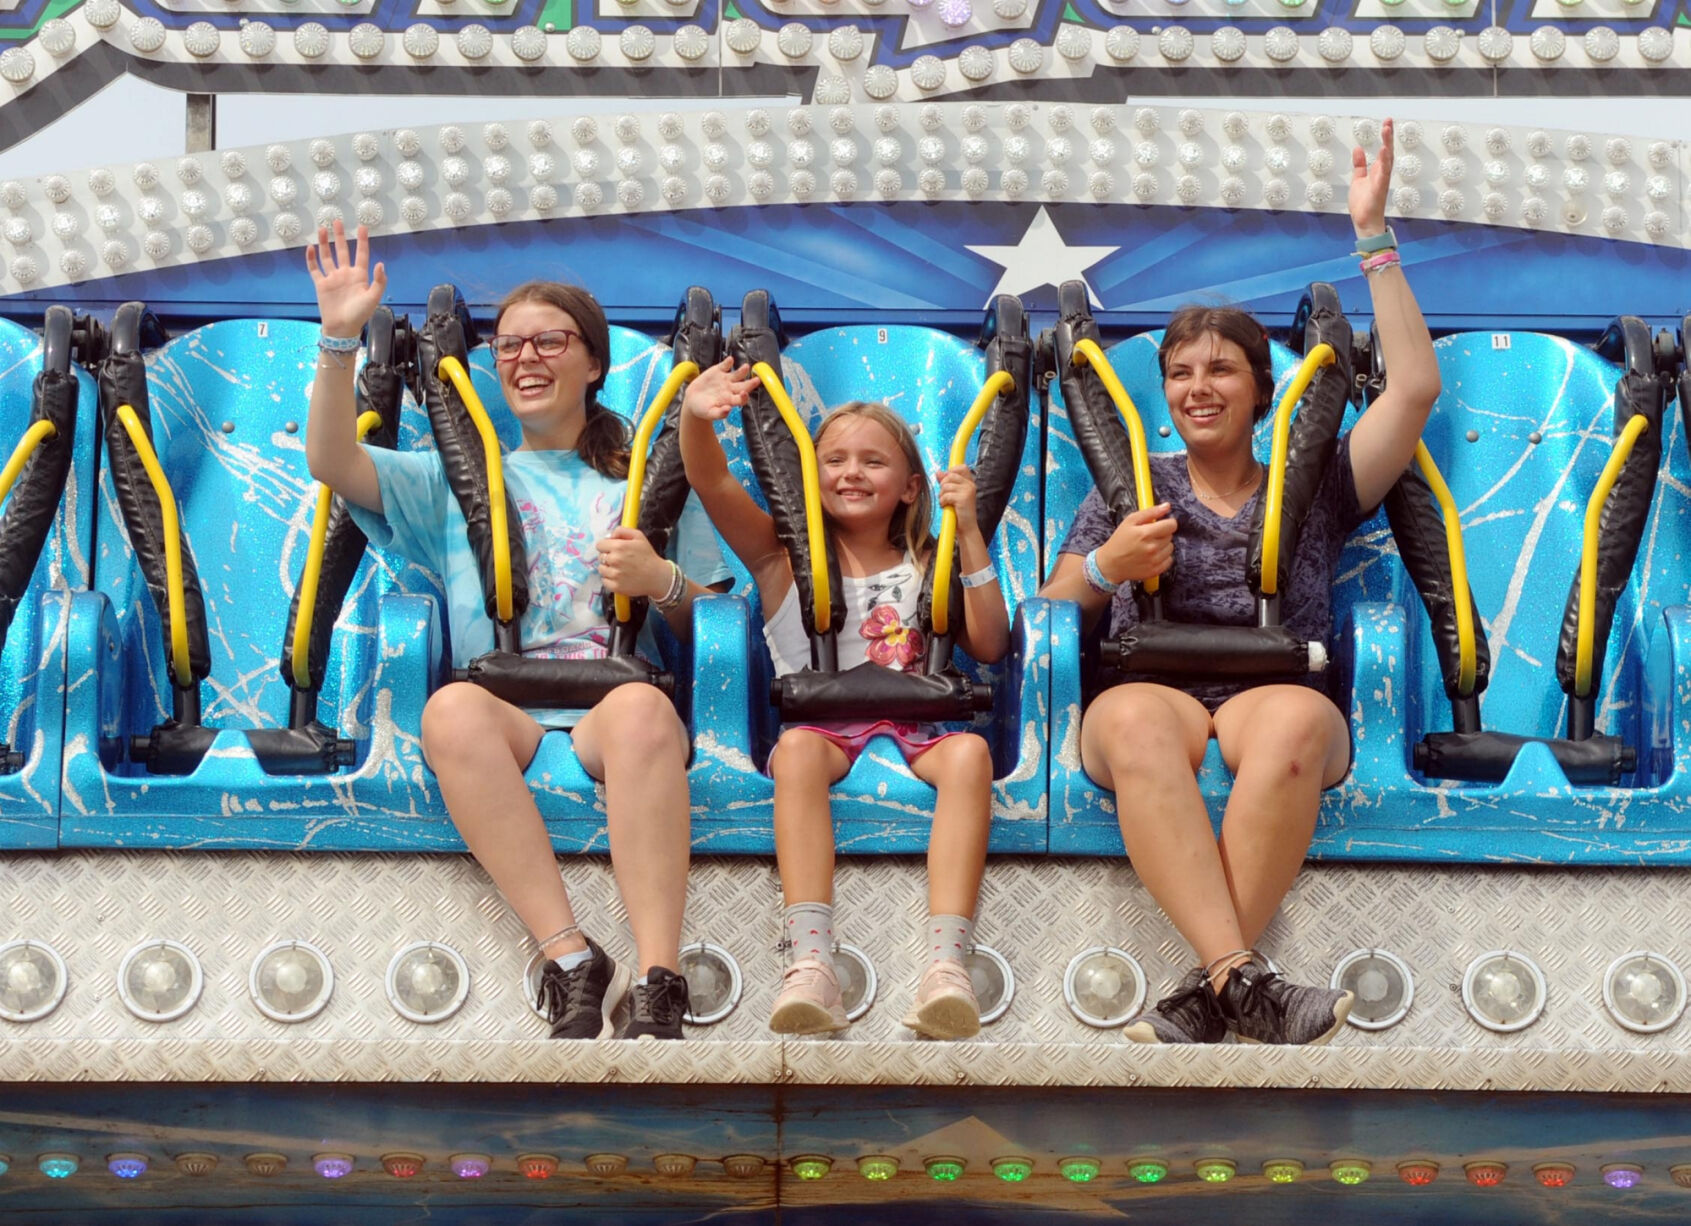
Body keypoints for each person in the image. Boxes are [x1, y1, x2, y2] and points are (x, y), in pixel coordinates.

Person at [1039, 118, 1441, 1046]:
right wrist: (1108, 568)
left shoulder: (1319, 487)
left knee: (1300, 721)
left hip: (1273, 692)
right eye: (1179, 373)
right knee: (1136, 719)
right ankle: (1243, 982)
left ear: (1262, 389)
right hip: (1155, 696)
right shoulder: (1132, 490)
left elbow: (1412, 389)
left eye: (1219, 369)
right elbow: (1051, 617)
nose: (1196, 387)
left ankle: (1211, 988)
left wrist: (1372, 240)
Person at [304, 220, 732, 1041]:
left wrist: (660, 580)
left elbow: (711, 615)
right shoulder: (453, 478)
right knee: (447, 711)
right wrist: (339, 336)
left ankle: (657, 976)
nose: (525, 358)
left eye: (548, 342)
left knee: (644, 715)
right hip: (507, 702)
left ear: (593, 363)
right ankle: (569, 956)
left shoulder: (643, 476)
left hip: (611, 697)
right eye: (507, 346)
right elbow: (330, 459)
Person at [680, 370, 1011, 1040]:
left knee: (971, 752)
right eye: (833, 460)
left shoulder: (931, 557)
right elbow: (712, 484)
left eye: (872, 461)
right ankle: (810, 961)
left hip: (921, 727)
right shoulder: (783, 558)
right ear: (808, 475)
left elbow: (990, 641)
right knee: (794, 751)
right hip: (824, 729)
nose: (850, 473)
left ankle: (946, 965)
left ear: (910, 487)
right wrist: (694, 418)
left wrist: (968, 532)